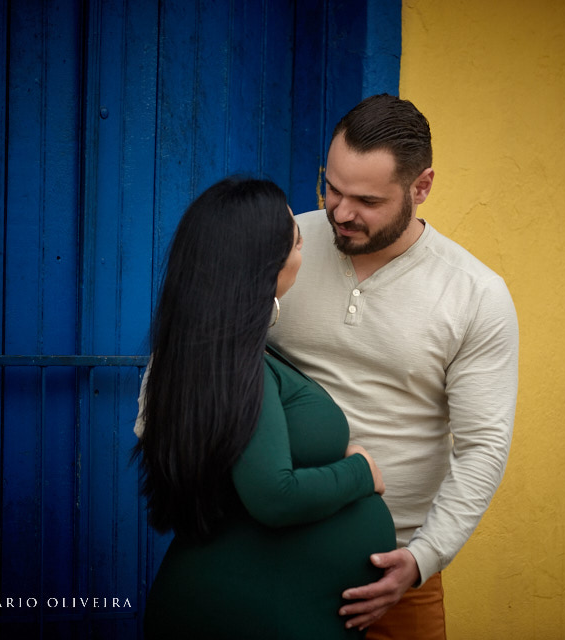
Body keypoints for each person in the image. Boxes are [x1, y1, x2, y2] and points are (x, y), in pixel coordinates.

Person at [267, 94, 519, 639]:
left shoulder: (475, 294)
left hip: (391, 567)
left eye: (366, 199)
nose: (340, 212)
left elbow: (482, 446)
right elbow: (204, 346)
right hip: (266, 546)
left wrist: (424, 558)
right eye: (330, 187)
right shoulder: (280, 246)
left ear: (421, 187)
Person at [132, 177, 396, 639]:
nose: (304, 251)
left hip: (263, 604)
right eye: (297, 242)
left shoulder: (203, 354)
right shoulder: (239, 364)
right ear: (264, 264)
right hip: (257, 613)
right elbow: (275, 496)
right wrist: (361, 469)